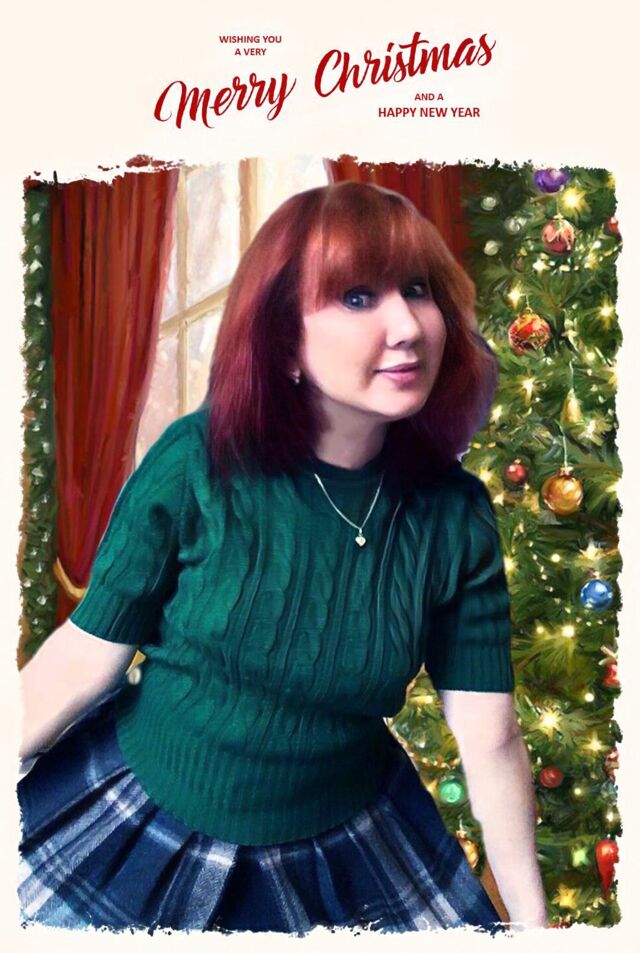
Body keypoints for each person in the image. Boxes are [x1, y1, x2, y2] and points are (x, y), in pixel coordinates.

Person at [18, 181, 548, 934]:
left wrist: (533, 924)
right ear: (283, 342)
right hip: (142, 815)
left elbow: (489, 735)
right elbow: (85, 658)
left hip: (348, 850)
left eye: (418, 290)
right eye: (357, 297)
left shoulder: (454, 516)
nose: (408, 326)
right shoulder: (196, 462)